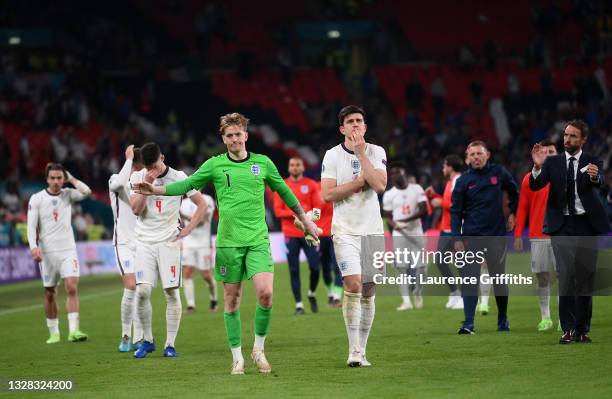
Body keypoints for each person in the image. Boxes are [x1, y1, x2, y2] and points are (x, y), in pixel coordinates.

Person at [134, 113, 319, 375]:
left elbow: (285, 192)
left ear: (246, 135)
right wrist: (155, 191)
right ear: (224, 139)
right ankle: (237, 358)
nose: (234, 139)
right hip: (228, 244)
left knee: (266, 294)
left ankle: (258, 349)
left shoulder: (263, 163)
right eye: (229, 136)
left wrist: (306, 220)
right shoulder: (215, 165)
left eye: (237, 134)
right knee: (232, 302)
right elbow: (187, 184)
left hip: (257, 240)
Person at [530, 120, 610, 343]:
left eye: (573, 136)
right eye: (566, 135)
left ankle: (582, 330)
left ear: (583, 139)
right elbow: (536, 186)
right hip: (561, 225)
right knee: (565, 277)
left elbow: (599, 182)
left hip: (586, 225)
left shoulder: (592, 160)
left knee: (585, 278)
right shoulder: (552, 162)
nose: (567, 139)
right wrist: (537, 167)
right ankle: (567, 329)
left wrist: (595, 176)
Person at [321, 105, 387, 367]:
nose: (355, 125)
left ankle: (363, 349)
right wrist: (359, 183)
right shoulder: (332, 155)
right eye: (350, 121)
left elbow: (380, 185)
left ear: (365, 126)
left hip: (372, 230)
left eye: (359, 120)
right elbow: (327, 194)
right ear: (342, 128)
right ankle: (353, 349)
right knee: (353, 284)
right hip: (345, 231)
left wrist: (361, 153)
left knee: (369, 289)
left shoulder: (376, 151)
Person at [129, 142, 208, 358]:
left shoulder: (180, 177)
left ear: (162, 158)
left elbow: (202, 205)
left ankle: (170, 344)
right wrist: (148, 182)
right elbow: (136, 209)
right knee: (143, 291)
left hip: (169, 243)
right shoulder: (138, 177)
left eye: (153, 165)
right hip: (144, 241)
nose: (150, 169)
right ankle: (147, 340)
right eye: (147, 166)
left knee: (171, 292)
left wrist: (188, 229)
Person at [451, 140, 518, 334]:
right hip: (472, 237)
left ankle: (503, 318)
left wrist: (512, 213)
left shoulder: (499, 173)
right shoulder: (463, 181)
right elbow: (455, 212)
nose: (476, 157)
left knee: (499, 278)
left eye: (479, 153)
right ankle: (468, 322)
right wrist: (456, 238)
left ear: (487, 154)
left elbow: (514, 191)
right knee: (470, 279)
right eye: (472, 155)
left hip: (497, 236)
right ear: (467, 159)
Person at [27, 163, 92, 344]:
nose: (56, 181)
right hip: (47, 253)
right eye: (52, 178)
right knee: (49, 292)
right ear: (47, 179)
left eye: (59, 178)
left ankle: (74, 330)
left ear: (63, 179)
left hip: (67, 250)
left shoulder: (68, 194)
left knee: (71, 287)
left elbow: (87, 191)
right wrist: (33, 247)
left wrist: (71, 178)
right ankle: (54, 332)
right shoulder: (37, 198)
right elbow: (31, 226)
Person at [514, 139, 558, 331]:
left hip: (562, 234)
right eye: (544, 151)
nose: (547, 154)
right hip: (538, 235)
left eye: (551, 152)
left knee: (564, 276)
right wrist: (517, 234)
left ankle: (565, 319)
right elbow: (523, 208)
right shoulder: (529, 179)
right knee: (542, 277)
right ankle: (545, 317)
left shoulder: (566, 176)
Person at [273, 156, 322, 315]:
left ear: (303, 167)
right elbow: (278, 210)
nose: (294, 167)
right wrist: (299, 215)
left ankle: (311, 293)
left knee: (315, 267)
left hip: (308, 232)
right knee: (294, 269)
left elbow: (318, 209)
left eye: (297, 165)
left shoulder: (311, 185)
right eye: (292, 165)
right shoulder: (282, 185)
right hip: (290, 233)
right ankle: (299, 305)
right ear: (288, 168)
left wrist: (308, 219)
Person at [109, 145, 145, 351]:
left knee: (141, 290)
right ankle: (125, 335)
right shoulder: (116, 179)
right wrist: (128, 159)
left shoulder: (142, 182)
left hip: (141, 243)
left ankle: (139, 338)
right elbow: (120, 183)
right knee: (130, 286)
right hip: (122, 243)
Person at [382, 162, 427, 311]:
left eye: (397, 172)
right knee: (401, 267)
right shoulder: (389, 194)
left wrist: (403, 221)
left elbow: (424, 210)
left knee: (422, 267)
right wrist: (395, 226)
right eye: (392, 173)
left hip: (415, 232)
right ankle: (406, 301)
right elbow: (387, 216)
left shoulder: (417, 189)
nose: (395, 175)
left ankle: (417, 292)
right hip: (399, 234)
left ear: (404, 173)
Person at [426, 154, 464, 310]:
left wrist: (441, 202)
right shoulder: (450, 183)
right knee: (440, 261)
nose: (442, 169)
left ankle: (465, 296)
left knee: (461, 264)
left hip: (457, 229)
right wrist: (434, 196)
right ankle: (455, 292)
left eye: (444, 166)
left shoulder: (459, 181)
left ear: (449, 166)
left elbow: (459, 204)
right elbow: (449, 203)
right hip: (445, 229)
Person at [180, 191, 217, 313]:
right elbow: (179, 223)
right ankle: (191, 305)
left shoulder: (207, 199)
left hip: (203, 242)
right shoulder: (183, 203)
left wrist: (182, 215)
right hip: (188, 242)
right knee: (187, 273)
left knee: (206, 275)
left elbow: (202, 221)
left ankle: (214, 299)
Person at [317, 182, 343, 307]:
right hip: (321, 235)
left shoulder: (341, 187)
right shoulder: (316, 188)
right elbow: (315, 211)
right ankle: (331, 294)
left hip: (337, 234)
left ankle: (337, 298)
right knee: (325, 268)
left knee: (338, 267)